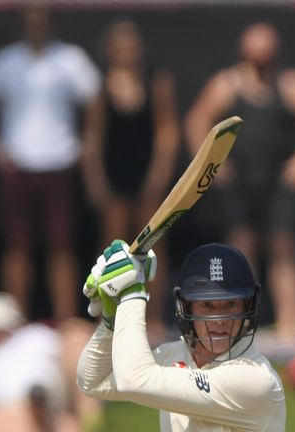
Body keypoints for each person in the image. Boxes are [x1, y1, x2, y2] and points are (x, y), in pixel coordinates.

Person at [185, 22, 295, 343]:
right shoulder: (227, 84)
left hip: (279, 180)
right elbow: (197, 120)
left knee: (285, 248)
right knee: (240, 252)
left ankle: (291, 323)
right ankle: (242, 322)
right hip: (239, 180)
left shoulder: (292, 84)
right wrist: (210, 164)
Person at [0, 4, 101, 321]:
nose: (37, 25)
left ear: (51, 22)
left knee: (62, 244)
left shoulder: (70, 59)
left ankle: (65, 318)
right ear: (22, 24)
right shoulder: (6, 61)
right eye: (31, 20)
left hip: (59, 162)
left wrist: (87, 144)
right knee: (18, 245)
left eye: (42, 19)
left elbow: (95, 98)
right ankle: (16, 321)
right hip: (18, 164)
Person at [76, 240, 286, 431]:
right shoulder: (173, 356)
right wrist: (112, 320)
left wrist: (131, 292)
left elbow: (133, 380)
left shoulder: (256, 381)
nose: (219, 319)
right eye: (207, 305)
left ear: (247, 306)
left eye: (230, 304)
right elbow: (93, 382)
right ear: (186, 307)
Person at [83, 18, 179, 338]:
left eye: (131, 44)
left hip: (147, 173)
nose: (127, 50)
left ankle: (153, 317)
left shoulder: (156, 80)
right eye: (120, 45)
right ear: (109, 50)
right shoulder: (100, 86)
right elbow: (93, 137)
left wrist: (160, 173)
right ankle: (109, 316)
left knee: (153, 249)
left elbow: (167, 131)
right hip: (115, 174)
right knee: (113, 249)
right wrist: (95, 179)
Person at [0, 292, 99, 432]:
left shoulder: (36, 335)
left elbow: (72, 342)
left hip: (49, 405)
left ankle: (93, 421)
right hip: (8, 411)